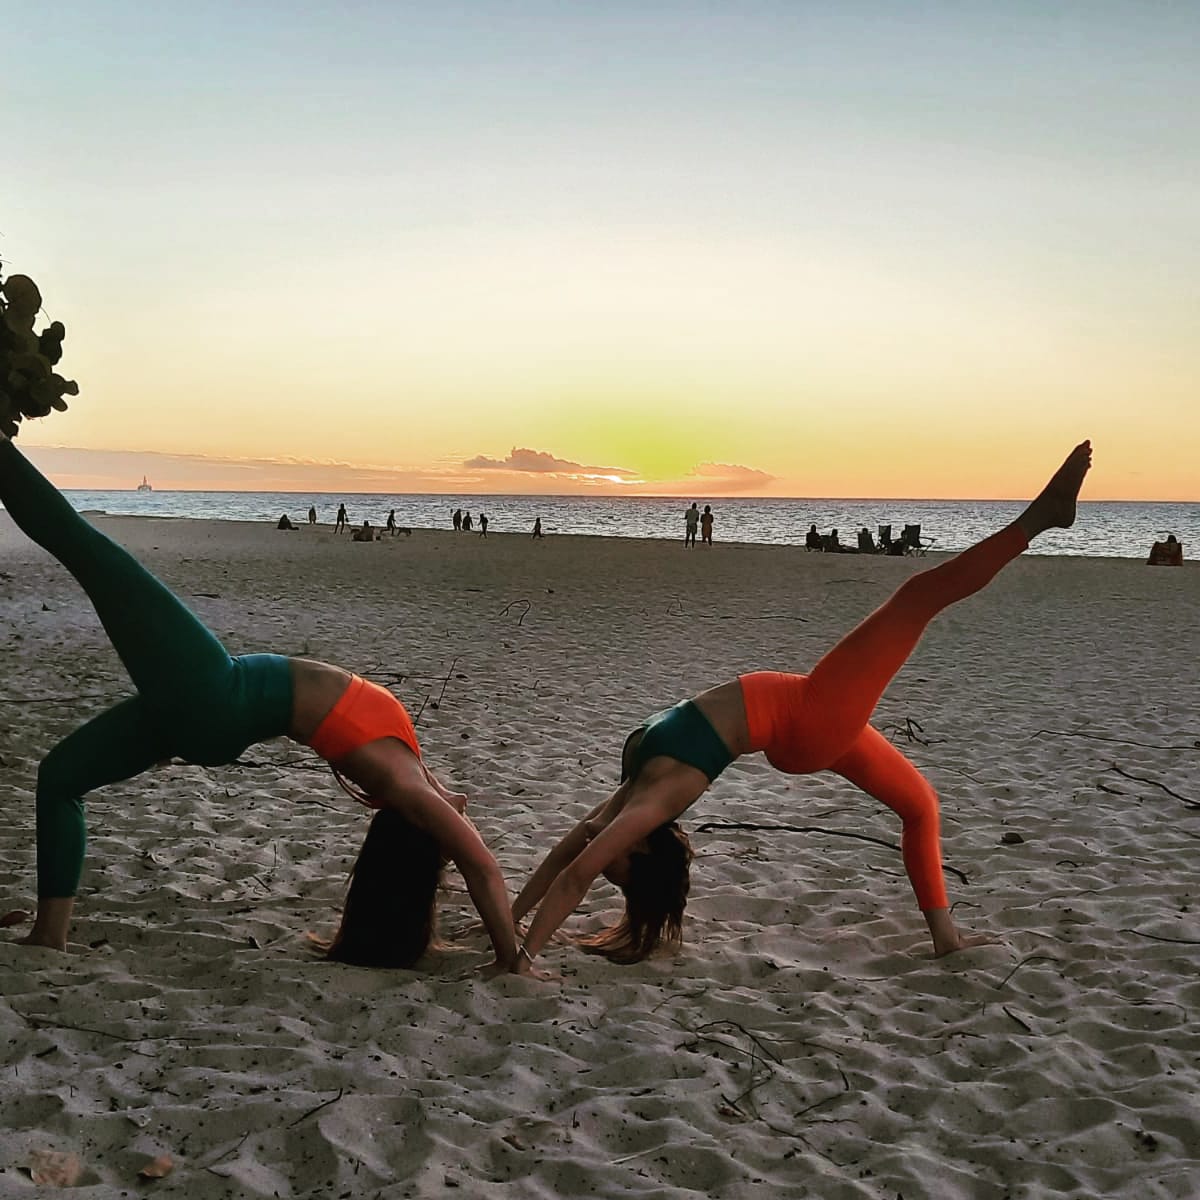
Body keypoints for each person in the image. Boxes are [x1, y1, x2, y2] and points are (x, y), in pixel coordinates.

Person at [508, 442, 1093, 972]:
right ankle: (1039, 519)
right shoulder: (656, 800)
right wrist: (524, 961)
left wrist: (510, 921)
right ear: (636, 855)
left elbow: (573, 848)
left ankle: (946, 939)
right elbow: (580, 873)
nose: (605, 861)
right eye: (620, 875)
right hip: (809, 714)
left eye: (611, 867)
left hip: (805, 720)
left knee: (920, 808)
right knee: (916, 599)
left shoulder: (636, 792)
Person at [0, 435, 517, 970]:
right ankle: (49, 936)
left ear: (420, 827)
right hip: (209, 710)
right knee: (59, 779)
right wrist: (451, 817)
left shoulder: (404, 788)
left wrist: (513, 959)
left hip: (219, 696)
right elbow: (455, 806)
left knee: (85, 548)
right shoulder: (417, 781)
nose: (457, 806)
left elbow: (482, 867)